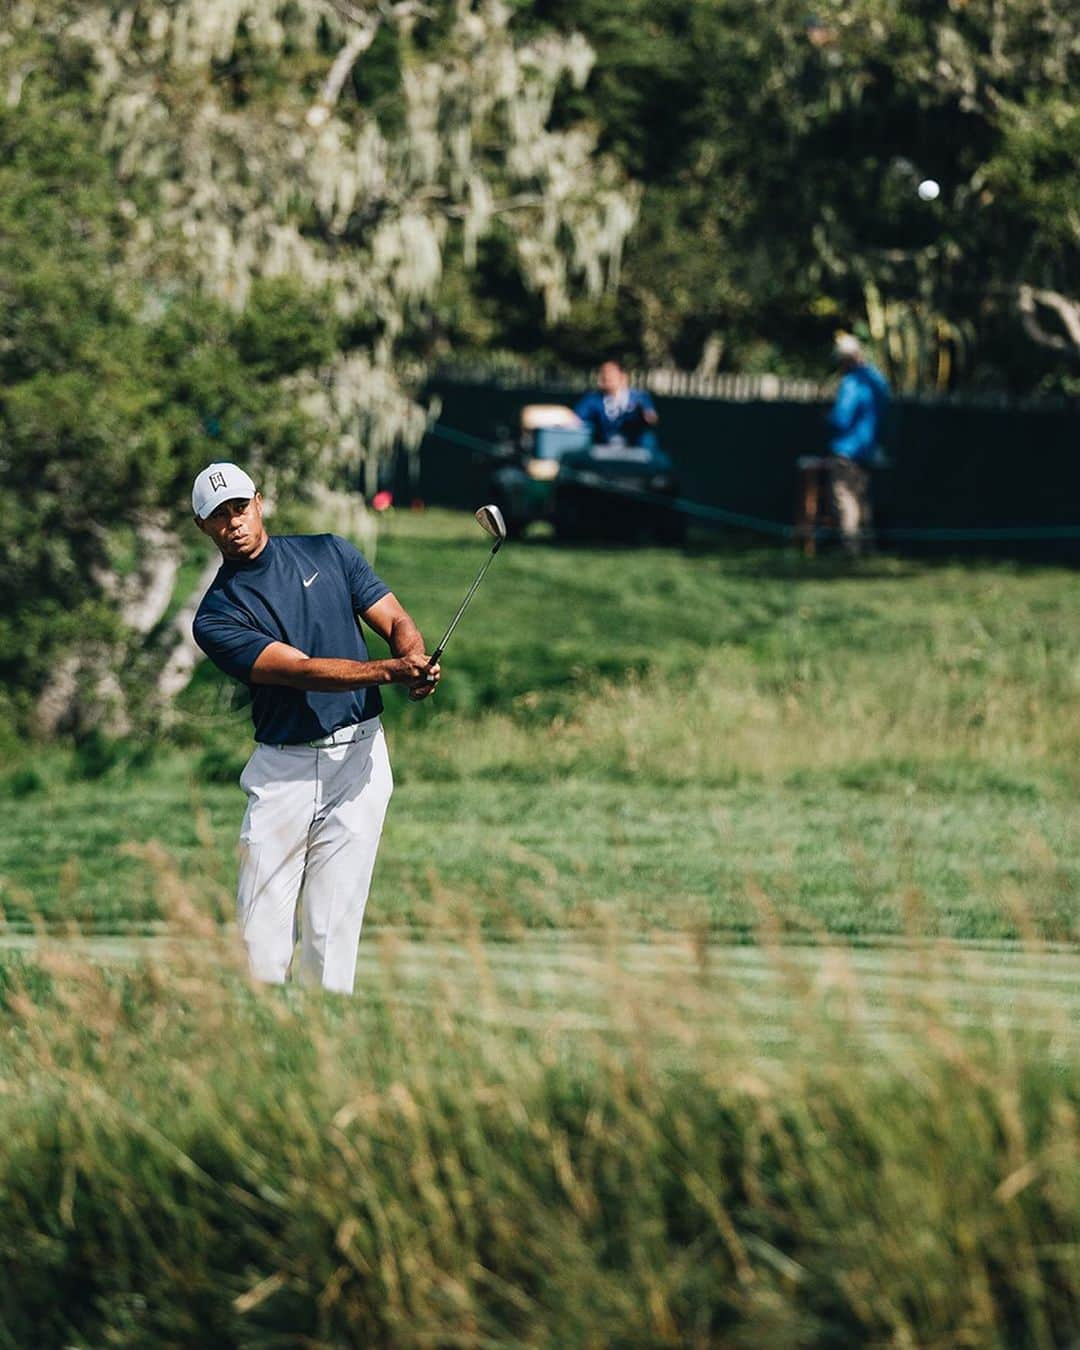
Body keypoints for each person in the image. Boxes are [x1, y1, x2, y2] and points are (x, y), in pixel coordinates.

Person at [190, 461, 440, 995]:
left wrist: (413, 658)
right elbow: (301, 671)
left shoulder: (330, 551)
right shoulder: (215, 615)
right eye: (218, 516)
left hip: (361, 761)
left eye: (239, 507)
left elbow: (395, 620)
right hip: (285, 770)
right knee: (260, 931)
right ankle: (260, 1039)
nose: (233, 522)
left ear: (259, 501)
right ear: (203, 527)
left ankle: (325, 1050)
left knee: (332, 927)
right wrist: (392, 671)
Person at [826, 334, 891, 555]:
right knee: (863, 499)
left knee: (846, 499)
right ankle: (868, 547)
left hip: (846, 450)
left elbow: (842, 417)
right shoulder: (878, 380)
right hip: (869, 450)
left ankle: (851, 548)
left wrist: (828, 417)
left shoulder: (852, 382)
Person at [573, 358, 659, 447]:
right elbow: (576, 419)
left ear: (622, 376)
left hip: (636, 447)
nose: (606, 376)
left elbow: (651, 418)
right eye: (603, 372)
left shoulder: (639, 397)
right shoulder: (593, 399)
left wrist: (643, 414)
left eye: (611, 373)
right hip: (604, 448)